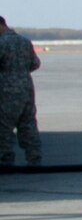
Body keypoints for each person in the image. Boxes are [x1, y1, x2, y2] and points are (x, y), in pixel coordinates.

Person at [0, 15, 43, 167]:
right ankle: (34, 159)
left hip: (6, 90)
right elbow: (35, 63)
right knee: (28, 125)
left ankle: (5, 161)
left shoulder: (2, 43)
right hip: (27, 88)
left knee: (3, 127)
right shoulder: (24, 41)